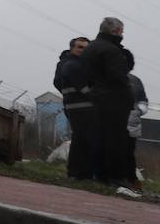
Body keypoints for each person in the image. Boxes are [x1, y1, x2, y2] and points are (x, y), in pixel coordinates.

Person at [81, 16, 138, 194]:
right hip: (115, 100)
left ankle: (100, 175)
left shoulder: (91, 47)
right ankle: (116, 177)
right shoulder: (112, 50)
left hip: (97, 97)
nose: (122, 35)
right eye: (121, 31)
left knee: (100, 138)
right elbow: (117, 76)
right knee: (116, 140)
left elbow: (87, 74)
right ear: (115, 31)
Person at [53, 36, 96, 180]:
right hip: (79, 106)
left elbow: (58, 83)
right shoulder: (70, 64)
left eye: (86, 48)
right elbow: (81, 84)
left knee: (82, 139)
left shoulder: (74, 64)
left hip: (77, 106)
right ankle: (79, 173)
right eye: (80, 47)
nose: (83, 51)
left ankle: (79, 173)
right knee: (84, 139)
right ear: (72, 48)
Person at [127, 73, 149, 189]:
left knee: (128, 152)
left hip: (131, 123)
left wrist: (138, 111)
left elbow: (143, 101)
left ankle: (129, 179)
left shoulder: (135, 80)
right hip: (116, 121)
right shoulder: (105, 76)